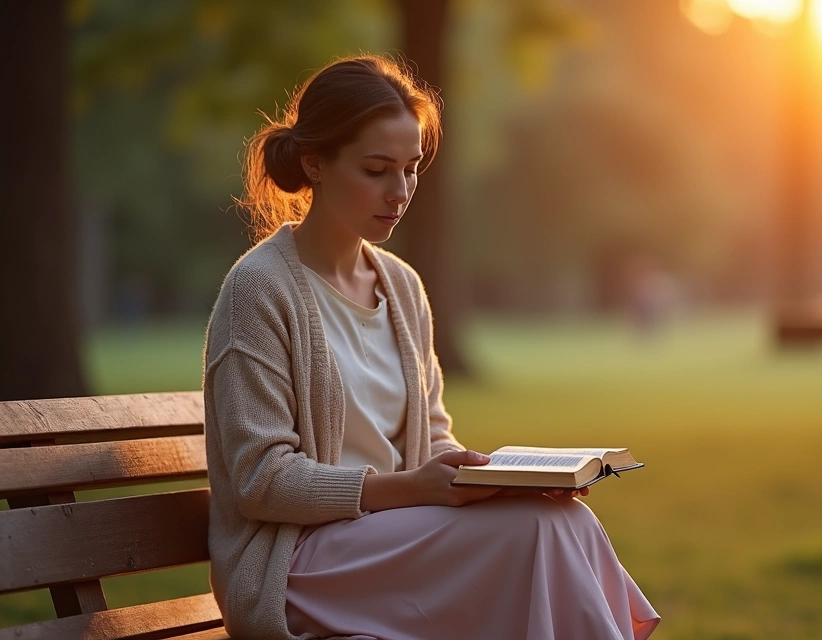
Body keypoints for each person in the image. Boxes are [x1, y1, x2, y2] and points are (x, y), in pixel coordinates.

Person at [203, 55, 660, 640]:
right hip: (299, 566)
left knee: (557, 516)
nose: (400, 191)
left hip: (396, 539)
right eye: (376, 170)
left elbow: (433, 437)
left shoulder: (401, 286)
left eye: (412, 169)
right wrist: (408, 489)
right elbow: (260, 480)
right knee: (535, 534)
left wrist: (488, 479)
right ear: (316, 163)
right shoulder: (259, 290)